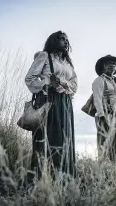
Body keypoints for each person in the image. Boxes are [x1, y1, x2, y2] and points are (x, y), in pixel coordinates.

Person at [25, 31, 77, 180]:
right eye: (61, 39)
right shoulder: (44, 56)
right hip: (48, 100)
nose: (65, 42)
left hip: (65, 103)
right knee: (46, 139)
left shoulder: (68, 63)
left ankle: (63, 180)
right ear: (53, 41)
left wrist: (64, 85)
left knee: (64, 138)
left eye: (67, 40)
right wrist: (46, 84)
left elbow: (75, 84)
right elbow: (30, 78)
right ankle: (40, 180)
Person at [92, 55, 116, 163]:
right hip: (105, 116)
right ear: (103, 66)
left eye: (113, 64)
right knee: (105, 147)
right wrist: (102, 116)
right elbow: (97, 99)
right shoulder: (99, 80)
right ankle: (103, 173)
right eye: (108, 63)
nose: (112, 65)